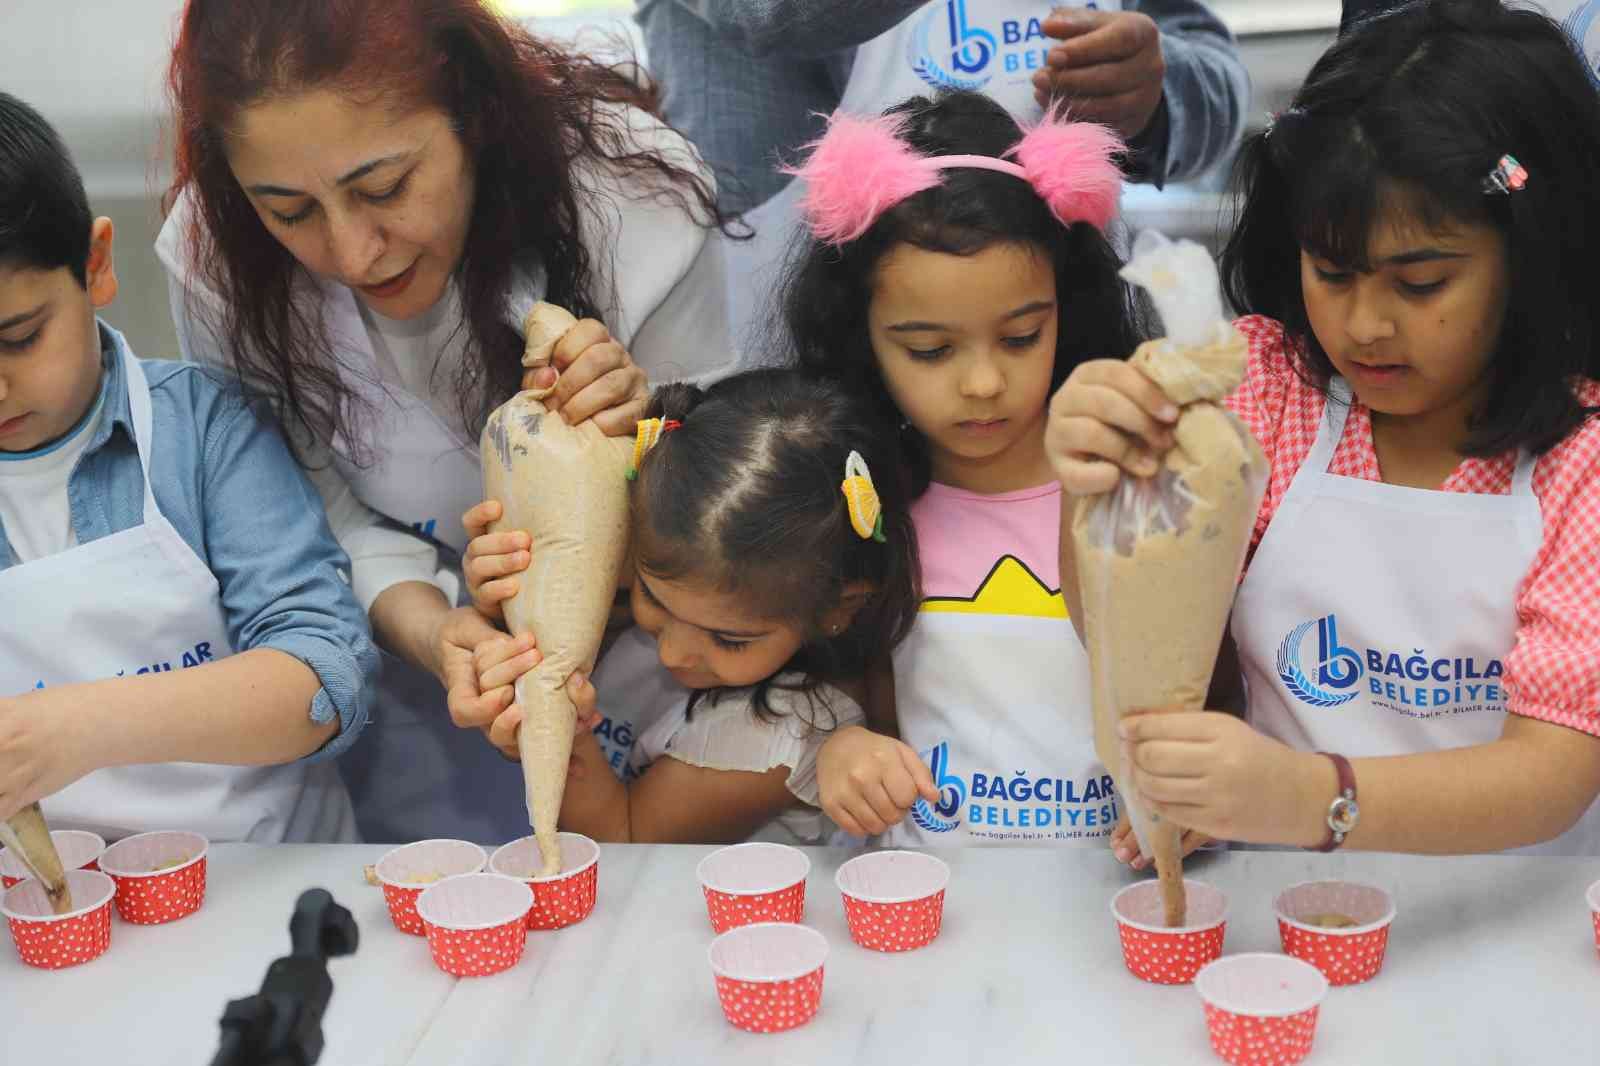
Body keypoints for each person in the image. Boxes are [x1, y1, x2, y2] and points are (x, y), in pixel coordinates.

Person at [155, 0, 735, 843]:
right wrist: (436, 634)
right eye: (290, 212)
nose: (354, 254)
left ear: (472, 111)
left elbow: (740, 480)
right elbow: (302, 511)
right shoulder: (215, 257)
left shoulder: (634, 195)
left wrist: (653, 441)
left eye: (384, 189)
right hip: (407, 675)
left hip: (659, 659)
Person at [1050, 0, 1600, 856]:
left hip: (1521, 927)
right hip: (1282, 911)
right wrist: (1102, 488)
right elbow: (1138, 623)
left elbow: (1553, 769)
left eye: (1419, 284)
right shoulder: (1268, 389)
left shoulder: (1584, 454)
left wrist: (1312, 797)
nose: (1367, 325)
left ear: (1535, 253)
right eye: (1332, 272)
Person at [774, 89, 1155, 848]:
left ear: (1066, 309)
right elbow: (846, 702)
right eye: (930, 350)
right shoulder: (854, 508)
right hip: (927, 920)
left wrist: (1190, 800)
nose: (983, 383)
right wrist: (839, 748)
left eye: (1020, 337)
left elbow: (1209, 698)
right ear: (859, 338)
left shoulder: (1139, 477)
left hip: (1118, 910)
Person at [0, 91, 377, 843]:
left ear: (96, 265)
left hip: (269, 885)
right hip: (65, 918)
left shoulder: (204, 430)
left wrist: (83, 723)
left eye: (19, 337)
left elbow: (327, 677)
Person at [465, 370, 920, 845]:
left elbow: (624, 840)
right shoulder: (643, 590)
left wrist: (568, 733)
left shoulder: (785, 733)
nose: (673, 654)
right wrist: (516, 590)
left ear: (840, 607)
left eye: (729, 639)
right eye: (653, 597)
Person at [634, 1, 1249, 352]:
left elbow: (1209, 63)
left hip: (1066, 374)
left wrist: (1158, 96)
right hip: (800, 399)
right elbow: (766, 15)